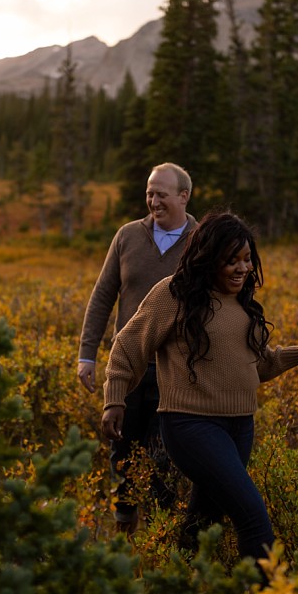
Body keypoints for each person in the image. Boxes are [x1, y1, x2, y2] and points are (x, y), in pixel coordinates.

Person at [101, 210, 298, 567]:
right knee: (253, 518)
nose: (242, 269)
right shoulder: (172, 295)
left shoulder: (242, 303)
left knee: (204, 519)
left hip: (240, 425)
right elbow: (128, 345)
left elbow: (258, 366)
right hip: (190, 425)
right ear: (208, 258)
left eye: (246, 260)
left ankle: (176, 586)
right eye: (232, 261)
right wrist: (114, 399)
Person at [78, 162, 198, 534]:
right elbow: (102, 297)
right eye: (149, 192)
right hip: (127, 367)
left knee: (165, 454)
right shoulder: (127, 236)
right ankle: (124, 527)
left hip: (175, 369)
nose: (153, 200)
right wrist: (87, 355)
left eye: (161, 194)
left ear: (183, 196)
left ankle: (163, 533)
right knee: (122, 449)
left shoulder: (202, 239)